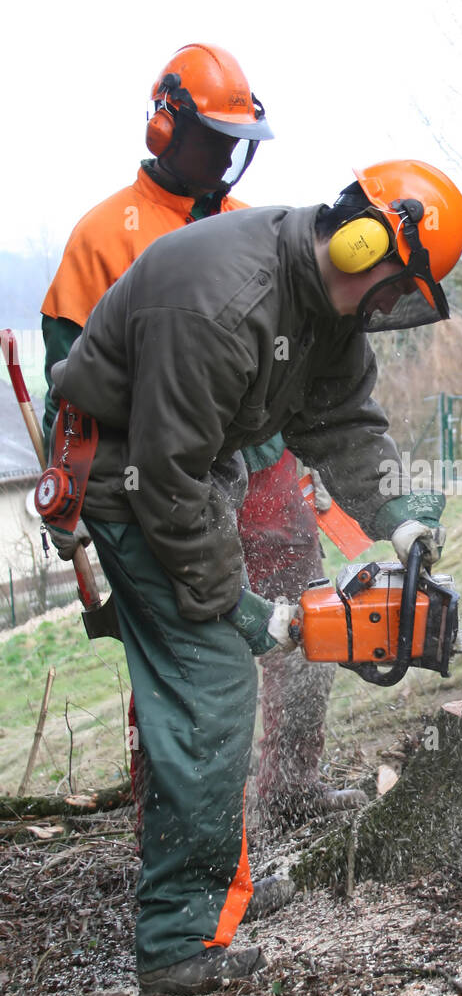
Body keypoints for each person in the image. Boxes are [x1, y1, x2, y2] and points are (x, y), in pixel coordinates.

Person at [45, 158, 462, 996]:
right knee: (211, 684)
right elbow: (166, 485)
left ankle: (221, 889)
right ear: (362, 243)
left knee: (221, 674)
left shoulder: (324, 306)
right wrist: (239, 610)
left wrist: (398, 516)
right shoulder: (224, 303)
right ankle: (177, 937)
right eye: (393, 291)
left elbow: (341, 420)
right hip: (127, 473)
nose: (389, 309)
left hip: (195, 468)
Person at [41, 43, 363, 829]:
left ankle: (294, 782)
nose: (225, 154)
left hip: (263, 466)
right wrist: (77, 492)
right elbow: (70, 380)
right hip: (166, 476)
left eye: (234, 138)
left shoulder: (252, 225)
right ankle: (184, 823)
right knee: (185, 654)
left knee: (305, 607)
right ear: (164, 128)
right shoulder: (102, 237)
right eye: (211, 136)